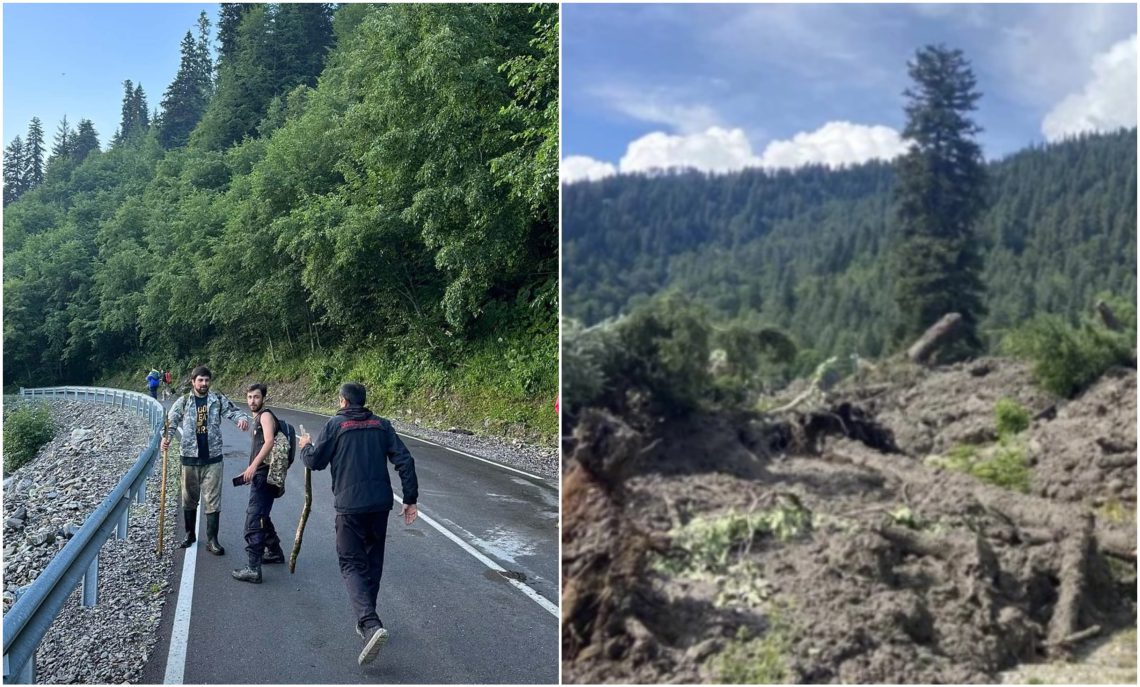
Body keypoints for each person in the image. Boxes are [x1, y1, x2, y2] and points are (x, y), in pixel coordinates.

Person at [299, 382, 419, 666]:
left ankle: (369, 623)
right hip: (379, 506)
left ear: (343, 401)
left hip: (350, 507)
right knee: (372, 562)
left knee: (351, 563)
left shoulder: (336, 425)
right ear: (362, 401)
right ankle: (368, 623)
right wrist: (410, 499)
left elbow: (315, 461)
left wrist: (305, 447)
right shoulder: (382, 425)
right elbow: (405, 460)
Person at [162, 366, 251, 555]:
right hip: (189, 458)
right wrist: (166, 437)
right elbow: (171, 421)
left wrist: (241, 419)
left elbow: (235, 412)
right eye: (200, 380)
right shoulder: (183, 401)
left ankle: (212, 540)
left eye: (207, 380)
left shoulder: (216, 399)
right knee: (189, 498)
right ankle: (189, 534)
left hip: (213, 459)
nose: (204, 384)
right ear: (193, 382)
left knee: (213, 500)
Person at [232, 382, 288, 583]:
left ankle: (253, 568)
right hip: (262, 474)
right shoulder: (258, 418)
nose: (252, 401)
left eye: (256, 397)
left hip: (265, 475)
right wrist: (251, 470)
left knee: (254, 520)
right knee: (262, 515)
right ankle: (274, 552)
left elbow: (269, 441)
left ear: (263, 398)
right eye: (249, 397)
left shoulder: (265, 416)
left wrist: (253, 467)